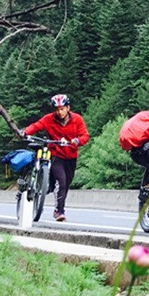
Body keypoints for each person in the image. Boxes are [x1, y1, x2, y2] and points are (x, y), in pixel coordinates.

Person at [22, 94, 90, 222]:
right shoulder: (49, 119)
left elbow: (85, 136)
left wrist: (77, 140)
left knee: (66, 184)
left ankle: (52, 190)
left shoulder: (77, 119)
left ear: (68, 108)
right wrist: (25, 132)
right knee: (61, 181)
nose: (60, 112)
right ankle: (59, 211)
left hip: (71, 156)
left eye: (62, 109)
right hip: (56, 155)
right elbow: (36, 126)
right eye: (57, 109)